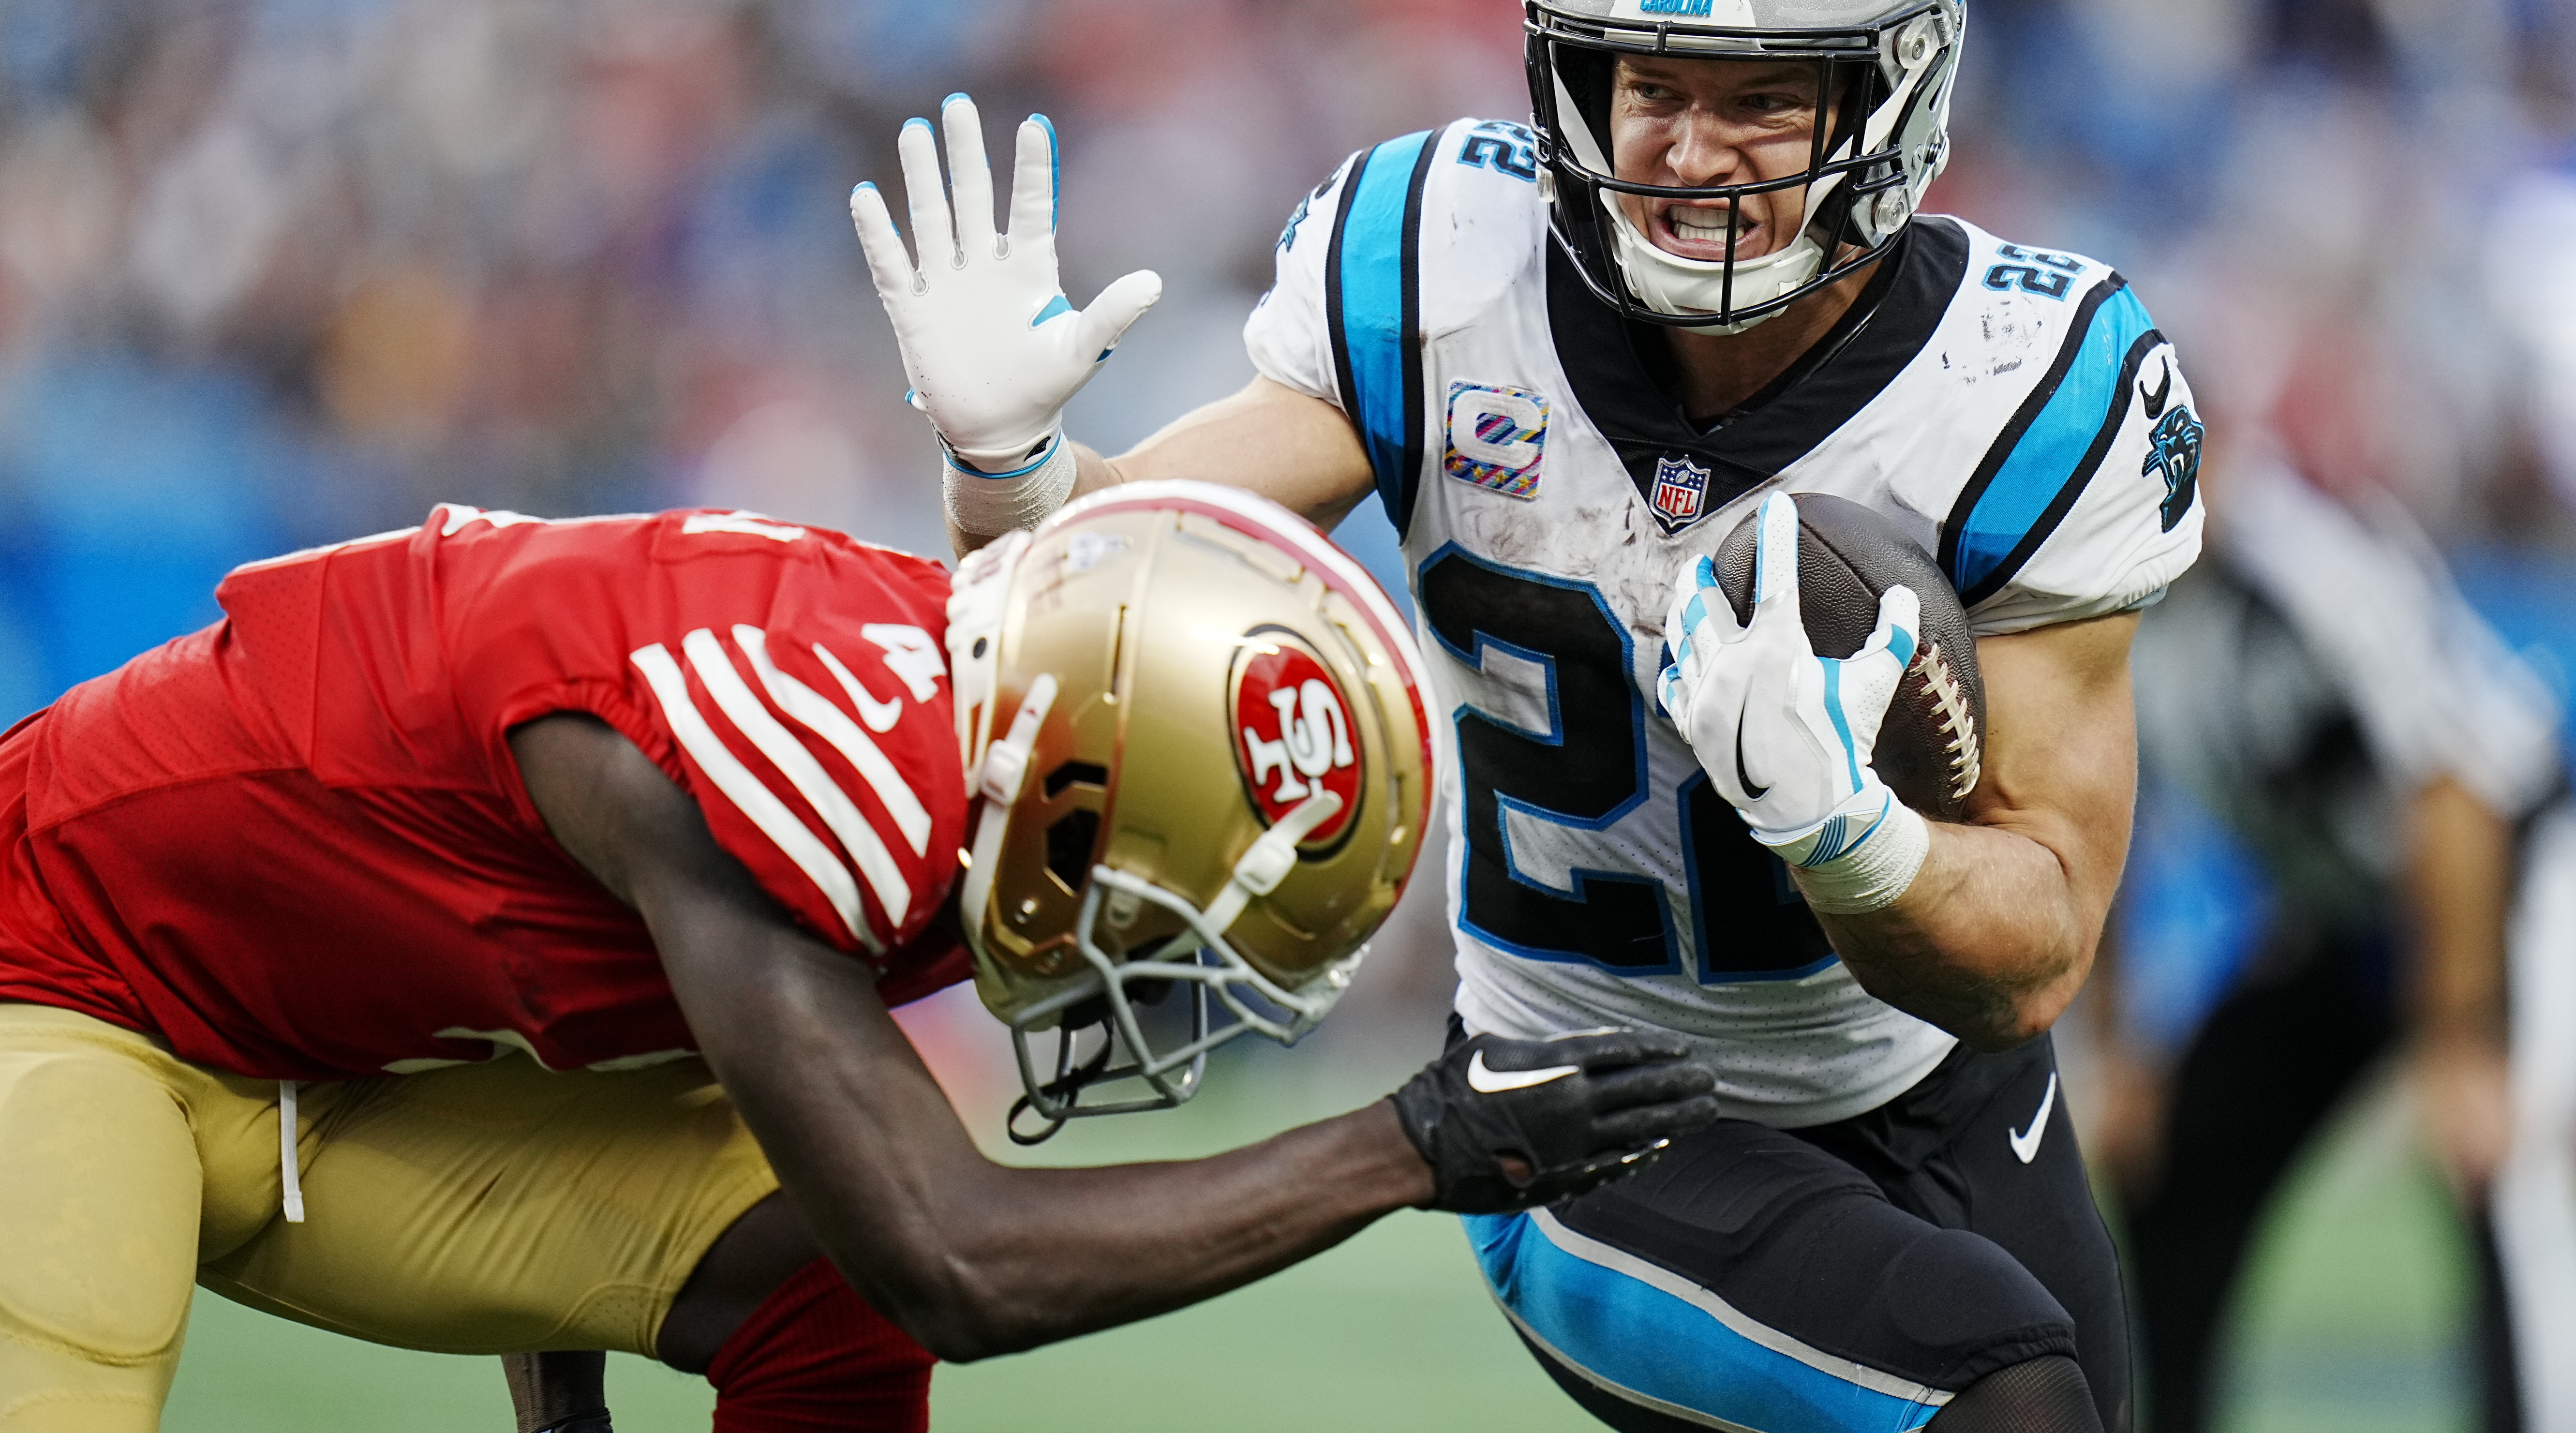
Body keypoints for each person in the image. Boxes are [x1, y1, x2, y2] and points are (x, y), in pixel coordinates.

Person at [857, 0, 2206, 1433]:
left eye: (1758, 98)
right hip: (1581, 1103)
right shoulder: (1443, 257)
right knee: (1999, 1399)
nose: (1684, 151)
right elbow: (1095, 603)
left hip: (1935, 1088)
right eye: (1646, 82)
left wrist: (1839, 831)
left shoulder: (2027, 380)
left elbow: (2031, 944)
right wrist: (1008, 469)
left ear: (1891, 92)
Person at [0, 484, 1717, 1433]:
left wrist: (557, 1388)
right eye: (1152, 904)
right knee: (877, 1234)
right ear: (1079, 783)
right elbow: (952, 1271)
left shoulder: (952, 728)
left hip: (320, 1061)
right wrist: (1408, 1146)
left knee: (811, 1262)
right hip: (56, 996)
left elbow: (591, 972)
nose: (1150, 974)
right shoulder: (801, 769)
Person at [2092, 443, 2564, 1433]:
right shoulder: (2107, 597)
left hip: (2508, 883)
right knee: (2185, 1147)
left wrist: (2462, 1038)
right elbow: (2102, 829)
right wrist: (2123, 1045)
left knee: (2504, 1181)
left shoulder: (2308, 563)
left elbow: (2456, 793)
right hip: (2352, 915)